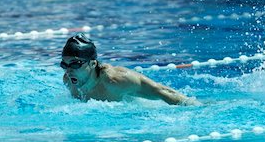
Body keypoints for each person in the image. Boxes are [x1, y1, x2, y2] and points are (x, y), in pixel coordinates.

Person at [61, 33, 199, 105]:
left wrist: (196, 107)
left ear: (92, 64)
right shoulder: (69, 81)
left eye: (74, 64)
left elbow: (161, 91)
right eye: (64, 65)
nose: (68, 70)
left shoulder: (117, 80)